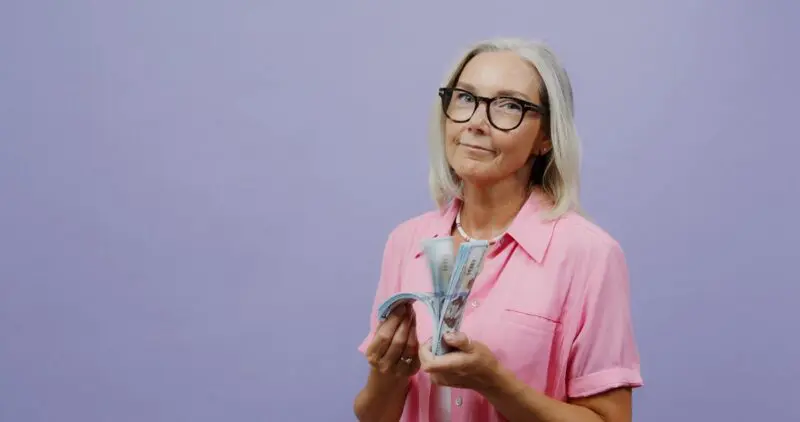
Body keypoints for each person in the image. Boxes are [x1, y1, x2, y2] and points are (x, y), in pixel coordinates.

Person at [353, 37, 643, 422]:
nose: (476, 122)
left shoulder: (588, 254)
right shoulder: (407, 242)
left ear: (545, 137)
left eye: (509, 106)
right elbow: (375, 414)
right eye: (465, 98)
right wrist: (386, 375)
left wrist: (494, 383)